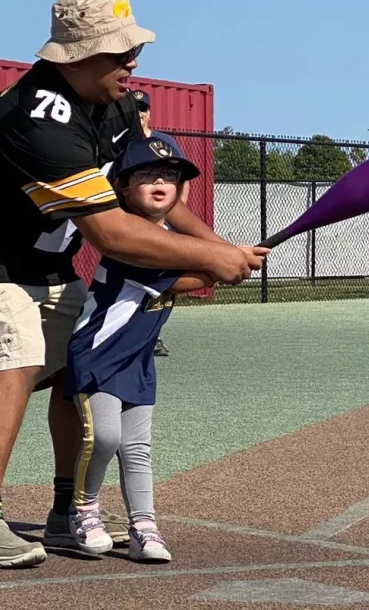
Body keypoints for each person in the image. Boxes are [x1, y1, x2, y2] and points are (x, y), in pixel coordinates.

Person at [0, 0, 266, 569]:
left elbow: (152, 193)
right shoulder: (39, 116)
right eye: (118, 52)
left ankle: (62, 511)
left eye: (133, 50)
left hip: (39, 252)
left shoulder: (119, 105)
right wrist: (206, 263)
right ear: (73, 57)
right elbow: (112, 233)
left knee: (66, 372)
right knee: (18, 357)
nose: (132, 62)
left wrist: (218, 246)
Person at [67, 136, 212, 561]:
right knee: (105, 437)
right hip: (99, 354)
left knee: (137, 447)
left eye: (169, 175)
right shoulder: (130, 237)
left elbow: (204, 260)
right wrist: (226, 264)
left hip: (137, 357)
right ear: (124, 188)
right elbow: (191, 277)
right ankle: (85, 509)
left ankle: (144, 526)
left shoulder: (169, 235)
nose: (160, 181)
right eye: (146, 174)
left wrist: (228, 257)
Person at [133, 89, 188, 356]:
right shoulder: (123, 144)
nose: (139, 115)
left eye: (143, 109)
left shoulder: (163, 141)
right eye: (134, 110)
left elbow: (182, 181)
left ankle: (153, 335)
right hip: (131, 226)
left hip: (161, 221)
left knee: (161, 284)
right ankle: (138, 334)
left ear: (150, 113)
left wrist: (174, 213)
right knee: (145, 282)